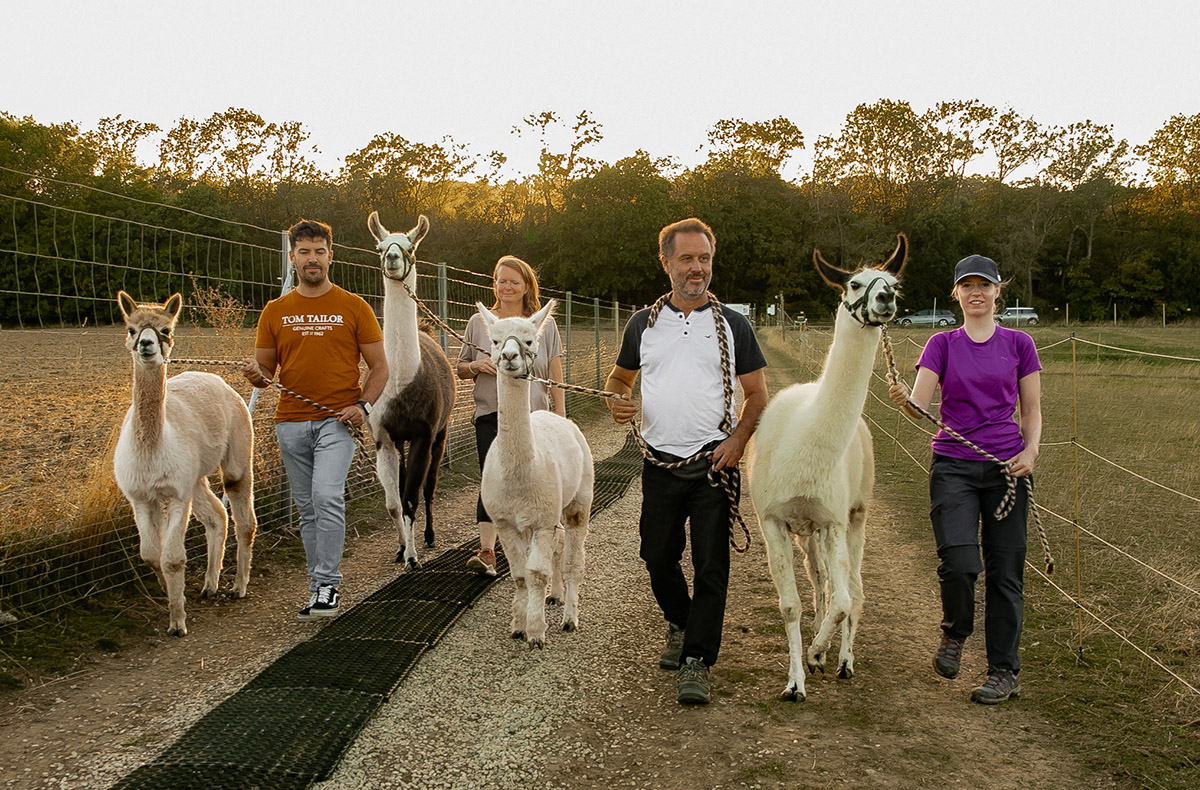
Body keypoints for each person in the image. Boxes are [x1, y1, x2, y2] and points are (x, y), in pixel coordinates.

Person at [605, 218, 768, 706]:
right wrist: (616, 401)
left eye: (704, 259)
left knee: (712, 566)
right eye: (687, 259)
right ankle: (681, 621)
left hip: (714, 465)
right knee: (656, 556)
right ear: (666, 263)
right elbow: (618, 382)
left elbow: (757, 394)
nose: (697, 269)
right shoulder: (643, 325)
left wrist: (739, 439)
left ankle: (697, 657)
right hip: (660, 464)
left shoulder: (733, 326)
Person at [888, 253, 1042, 705]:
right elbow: (920, 408)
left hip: (1006, 470)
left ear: (998, 291)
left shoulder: (1020, 344)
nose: (976, 292)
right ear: (956, 293)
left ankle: (1002, 671)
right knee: (959, 564)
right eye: (967, 285)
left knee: (1005, 573)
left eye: (985, 284)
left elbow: (1031, 410)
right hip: (953, 465)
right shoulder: (941, 344)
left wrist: (1031, 452)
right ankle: (955, 634)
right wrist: (903, 398)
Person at [242, 219, 388, 621]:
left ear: (330, 256)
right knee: (308, 509)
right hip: (289, 423)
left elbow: (379, 368)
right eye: (304, 251)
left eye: (319, 251)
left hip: (337, 423)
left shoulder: (354, 307)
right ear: (292, 257)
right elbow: (264, 371)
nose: (312, 259)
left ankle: (328, 585)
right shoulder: (275, 311)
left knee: (326, 497)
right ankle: (316, 587)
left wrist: (363, 406)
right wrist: (253, 374)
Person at [456, 255, 565, 576]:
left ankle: (538, 544)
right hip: (493, 413)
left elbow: (555, 368)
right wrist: (477, 365)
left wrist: (560, 412)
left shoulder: (542, 324)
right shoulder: (481, 323)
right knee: (493, 479)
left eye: (514, 281)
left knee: (538, 481)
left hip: (536, 416)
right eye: (501, 280)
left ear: (526, 286)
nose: (506, 287)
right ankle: (488, 551)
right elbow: (462, 367)